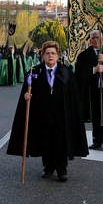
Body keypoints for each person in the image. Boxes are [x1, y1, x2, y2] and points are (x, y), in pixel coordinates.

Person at [7, 41, 88, 181]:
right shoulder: (34, 71)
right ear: (43, 55)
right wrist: (26, 96)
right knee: (46, 141)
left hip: (62, 114)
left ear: (58, 56)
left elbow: (74, 95)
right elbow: (26, 91)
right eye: (47, 53)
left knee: (61, 142)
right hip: (43, 114)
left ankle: (62, 170)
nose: (50, 56)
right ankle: (48, 167)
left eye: (53, 53)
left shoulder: (66, 71)